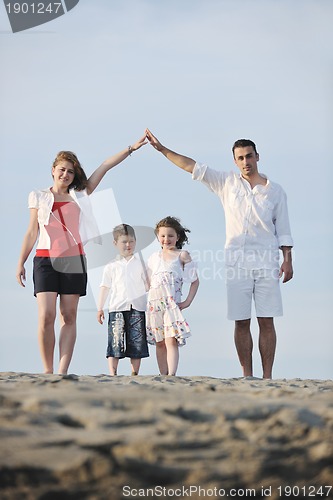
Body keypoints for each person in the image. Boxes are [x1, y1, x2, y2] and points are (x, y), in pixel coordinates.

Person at [145, 129, 293, 379]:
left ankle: (267, 377)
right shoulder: (226, 183)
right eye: (240, 158)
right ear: (235, 161)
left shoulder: (275, 191)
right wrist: (163, 150)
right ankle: (247, 375)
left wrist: (287, 260)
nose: (246, 162)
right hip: (236, 263)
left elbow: (284, 229)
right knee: (241, 320)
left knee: (267, 320)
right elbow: (191, 166)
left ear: (257, 156)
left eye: (249, 156)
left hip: (267, 262)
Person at [16, 136, 147, 375]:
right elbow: (31, 231)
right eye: (61, 170)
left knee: (69, 316)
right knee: (46, 315)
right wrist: (21, 262)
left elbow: (105, 165)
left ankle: (62, 370)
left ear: (75, 176)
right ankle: (47, 370)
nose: (65, 174)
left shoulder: (81, 194)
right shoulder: (38, 196)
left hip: (74, 260)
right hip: (44, 259)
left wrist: (131, 148)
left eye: (70, 172)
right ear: (53, 171)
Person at [146, 216, 199, 376]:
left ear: (178, 237)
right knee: (159, 341)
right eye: (162, 236)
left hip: (171, 305)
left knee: (171, 339)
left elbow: (195, 281)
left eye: (170, 235)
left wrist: (188, 301)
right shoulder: (153, 257)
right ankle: (163, 374)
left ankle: (172, 374)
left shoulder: (182, 255)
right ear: (158, 237)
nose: (166, 239)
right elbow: (147, 282)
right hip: (154, 306)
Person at [97, 224, 149, 376]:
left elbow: (148, 285)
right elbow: (105, 287)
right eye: (124, 242)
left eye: (131, 241)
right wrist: (100, 307)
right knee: (115, 341)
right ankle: (113, 373)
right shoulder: (111, 266)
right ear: (115, 243)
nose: (128, 245)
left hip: (137, 308)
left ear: (135, 241)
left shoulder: (141, 263)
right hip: (117, 307)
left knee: (137, 341)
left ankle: (135, 373)